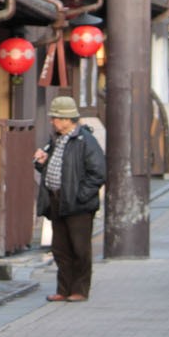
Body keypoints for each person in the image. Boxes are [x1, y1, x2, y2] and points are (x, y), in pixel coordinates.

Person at [34, 95, 106, 302]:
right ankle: (63, 289)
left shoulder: (85, 141)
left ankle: (80, 289)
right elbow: (53, 167)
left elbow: (98, 173)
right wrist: (41, 163)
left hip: (78, 204)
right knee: (60, 248)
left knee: (79, 248)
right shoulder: (56, 140)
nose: (52, 121)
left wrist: (81, 196)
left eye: (55, 117)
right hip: (57, 201)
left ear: (67, 119)